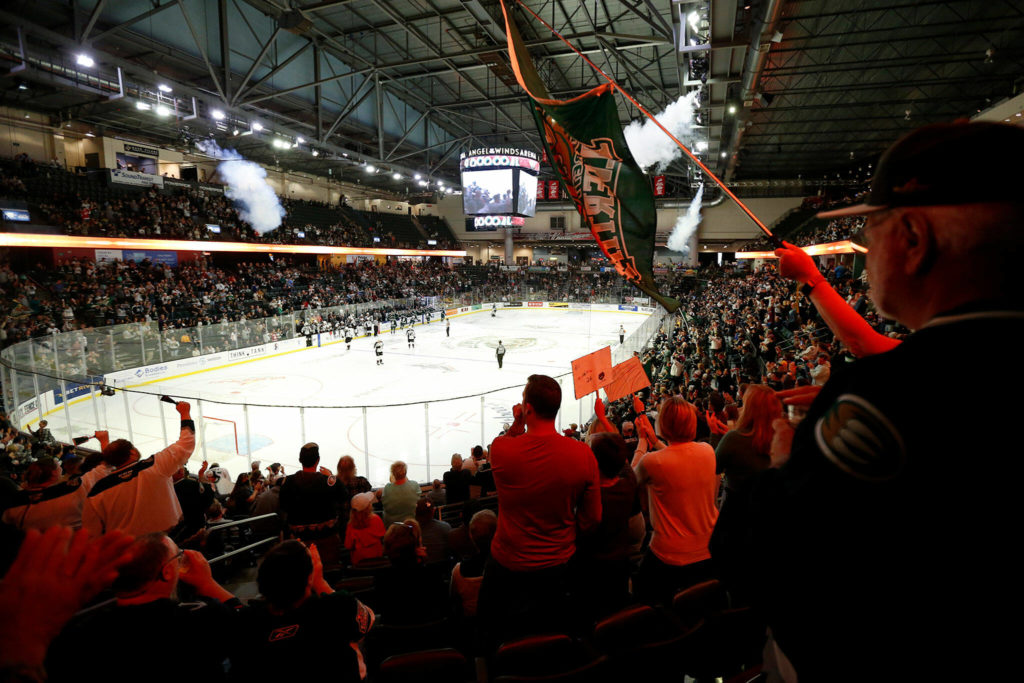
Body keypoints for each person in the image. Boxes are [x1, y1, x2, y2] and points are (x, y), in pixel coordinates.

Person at [712, 121, 1024, 682]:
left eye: (869, 230)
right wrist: (813, 283)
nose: (861, 248)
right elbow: (879, 348)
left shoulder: (885, 399)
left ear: (912, 238)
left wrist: (788, 461)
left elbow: (752, 555)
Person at [478, 374, 601, 641]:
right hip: (560, 568)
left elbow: (509, 442)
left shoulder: (501, 450)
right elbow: (592, 519)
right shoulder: (583, 455)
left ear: (527, 408)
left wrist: (516, 425)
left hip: (508, 570)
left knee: (502, 641)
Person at [47, 532, 240, 682]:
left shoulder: (80, 631)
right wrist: (208, 583)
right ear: (166, 572)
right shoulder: (202, 615)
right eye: (178, 556)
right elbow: (251, 630)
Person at [234, 541, 375, 682]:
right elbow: (368, 619)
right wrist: (319, 582)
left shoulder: (248, 621)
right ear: (308, 578)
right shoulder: (336, 606)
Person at [633, 396, 718, 606]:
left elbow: (629, 480)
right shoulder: (708, 452)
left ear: (663, 423)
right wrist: (655, 441)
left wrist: (643, 443)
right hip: (709, 550)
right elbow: (679, 458)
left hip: (668, 556)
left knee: (641, 598)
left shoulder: (652, 462)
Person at [82, 401, 195, 536]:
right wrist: (185, 414)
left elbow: (91, 532)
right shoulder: (155, 466)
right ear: (133, 453)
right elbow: (186, 444)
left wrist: (105, 444)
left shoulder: (98, 489)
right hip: (167, 539)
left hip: (127, 549)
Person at [279, 443, 340, 566]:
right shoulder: (327, 481)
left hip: (299, 543)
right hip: (326, 541)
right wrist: (332, 477)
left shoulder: (288, 482)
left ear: (300, 460)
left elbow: (283, 505)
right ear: (318, 460)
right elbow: (343, 495)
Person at [2, 458, 86, 530]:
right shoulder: (54, 496)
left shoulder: (21, 493)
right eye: (59, 466)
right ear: (54, 473)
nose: (61, 468)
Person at [345, 491, 385, 566]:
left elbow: (348, 545)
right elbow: (382, 536)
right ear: (368, 507)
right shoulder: (376, 519)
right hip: (377, 559)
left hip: (359, 563)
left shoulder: (351, 525)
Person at [378, 460, 420, 525]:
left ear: (393, 474)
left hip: (392, 527)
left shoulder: (387, 488)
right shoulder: (414, 485)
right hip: (410, 525)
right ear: (405, 472)